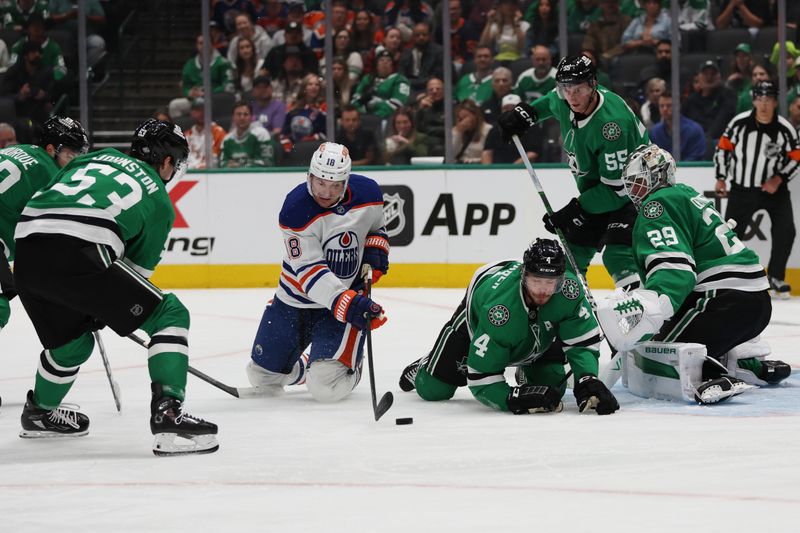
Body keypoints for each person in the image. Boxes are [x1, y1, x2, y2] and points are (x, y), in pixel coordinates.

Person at [13, 118, 219, 454]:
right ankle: (169, 413)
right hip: (80, 250)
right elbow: (134, 272)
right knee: (169, 313)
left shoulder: (95, 157)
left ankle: (39, 412)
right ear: (166, 162)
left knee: (72, 344)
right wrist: (100, 306)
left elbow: (55, 192)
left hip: (27, 249)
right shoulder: (160, 200)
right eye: (176, 163)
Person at [598, 143, 790, 394]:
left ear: (656, 176)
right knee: (676, 330)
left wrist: (653, 304)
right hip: (755, 302)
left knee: (652, 351)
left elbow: (675, 271)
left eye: (637, 182)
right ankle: (744, 362)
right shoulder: (687, 194)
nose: (634, 191)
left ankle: (710, 375)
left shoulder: (656, 205)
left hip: (722, 301)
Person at [398, 239, 617, 415]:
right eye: (536, 282)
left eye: (550, 283)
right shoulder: (498, 311)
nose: (543, 291)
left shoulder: (569, 291)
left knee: (553, 390)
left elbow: (582, 342)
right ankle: (426, 364)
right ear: (523, 276)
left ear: (561, 280)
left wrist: (587, 378)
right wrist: (511, 399)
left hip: (538, 336)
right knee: (435, 390)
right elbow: (481, 379)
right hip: (476, 321)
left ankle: (526, 367)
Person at [246, 142, 388, 402]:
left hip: (339, 308)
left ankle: (348, 366)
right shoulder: (296, 208)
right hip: (294, 302)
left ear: (346, 181)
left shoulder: (369, 193)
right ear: (309, 176)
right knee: (262, 378)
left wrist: (375, 248)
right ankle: (304, 366)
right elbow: (310, 272)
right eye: (321, 182)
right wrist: (352, 305)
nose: (326, 191)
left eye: (335, 185)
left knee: (326, 389)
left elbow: (376, 229)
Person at [499, 54, 649, 291]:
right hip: (598, 193)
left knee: (618, 256)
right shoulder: (564, 97)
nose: (571, 96)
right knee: (571, 257)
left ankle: (644, 313)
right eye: (566, 88)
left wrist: (574, 210)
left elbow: (616, 190)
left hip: (634, 192)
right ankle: (574, 315)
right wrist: (525, 114)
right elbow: (550, 102)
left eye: (578, 89)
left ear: (593, 84)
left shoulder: (612, 126)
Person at [0, 116, 88, 342]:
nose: (76, 161)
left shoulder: (20, 151)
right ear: (51, 149)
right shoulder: (51, 176)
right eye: (71, 154)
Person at [714, 81, 800, 299]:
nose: (764, 105)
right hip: (743, 189)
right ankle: (729, 277)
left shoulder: (785, 129)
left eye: (768, 99)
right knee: (730, 236)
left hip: (774, 192)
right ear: (753, 100)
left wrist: (779, 179)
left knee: (786, 231)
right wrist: (721, 178)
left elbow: (796, 157)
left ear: (775, 102)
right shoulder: (739, 124)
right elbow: (723, 149)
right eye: (760, 99)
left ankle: (776, 277)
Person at [169, 34, 234, 119]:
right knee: (174, 105)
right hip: (196, 100)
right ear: (197, 45)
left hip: (215, 100)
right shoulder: (190, 64)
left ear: (212, 44)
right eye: (200, 43)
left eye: (206, 43)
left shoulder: (222, 62)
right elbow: (185, 85)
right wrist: (189, 92)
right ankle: (180, 131)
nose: (203, 46)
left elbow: (228, 85)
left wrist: (209, 92)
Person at [683, 59, 737, 157]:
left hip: (720, 143)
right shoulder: (691, 100)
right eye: (705, 74)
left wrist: (707, 138)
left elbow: (722, 120)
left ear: (719, 76)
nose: (709, 77)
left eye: (713, 74)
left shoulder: (728, 95)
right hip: (696, 143)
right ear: (698, 77)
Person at [482, 94, 541, 164]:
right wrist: (488, 171)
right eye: (506, 108)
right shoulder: (495, 130)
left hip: (523, 168)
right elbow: (487, 153)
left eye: (513, 108)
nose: (509, 111)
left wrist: (512, 168)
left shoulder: (531, 128)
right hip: (498, 170)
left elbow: (532, 153)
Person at [351, 49, 411, 119]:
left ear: (392, 65)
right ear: (376, 65)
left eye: (388, 60)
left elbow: (397, 104)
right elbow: (355, 101)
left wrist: (375, 108)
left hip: (387, 119)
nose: (385, 63)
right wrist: (362, 109)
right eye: (381, 60)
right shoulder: (367, 78)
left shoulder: (400, 79)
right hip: (363, 117)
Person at [649, 90, 706, 161]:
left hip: (689, 170)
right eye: (661, 106)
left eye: (669, 105)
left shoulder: (695, 130)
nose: (665, 109)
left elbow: (696, 156)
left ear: (678, 106)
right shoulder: (655, 132)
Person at [221, 101, 276, 167]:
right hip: (233, 176)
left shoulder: (261, 134)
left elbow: (267, 162)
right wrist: (228, 165)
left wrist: (239, 166)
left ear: (251, 117)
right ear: (233, 117)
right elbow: (222, 163)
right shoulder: (227, 139)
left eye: (246, 114)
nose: (242, 118)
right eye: (238, 114)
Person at [398, 21, 444, 99]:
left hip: (430, 88)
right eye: (417, 35)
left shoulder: (438, 51)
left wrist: (412, 82)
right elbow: (402, 75)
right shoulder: (407, 52)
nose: (421, 37)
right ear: (413, 37)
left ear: (429, 36)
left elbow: (437, 76)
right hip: (409, 88)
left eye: (424, 35)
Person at [184, 97, 227, 170]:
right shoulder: (186, 135)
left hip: (210, 174)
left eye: (205, 110)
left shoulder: (218, 132)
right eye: (198, 110)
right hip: (189, 174)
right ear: (192, 113)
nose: (202, 113)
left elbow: (215, 160)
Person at [452, 99, 492, 164]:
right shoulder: (456, 130)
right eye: (460, 118)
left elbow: (490, 156)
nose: (463, 122)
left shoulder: (488, 130)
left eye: (465, 117)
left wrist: (473, 161)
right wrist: (458, 133)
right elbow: (451, 154)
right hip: (459, 167)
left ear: (475, 116)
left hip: (478, 166)